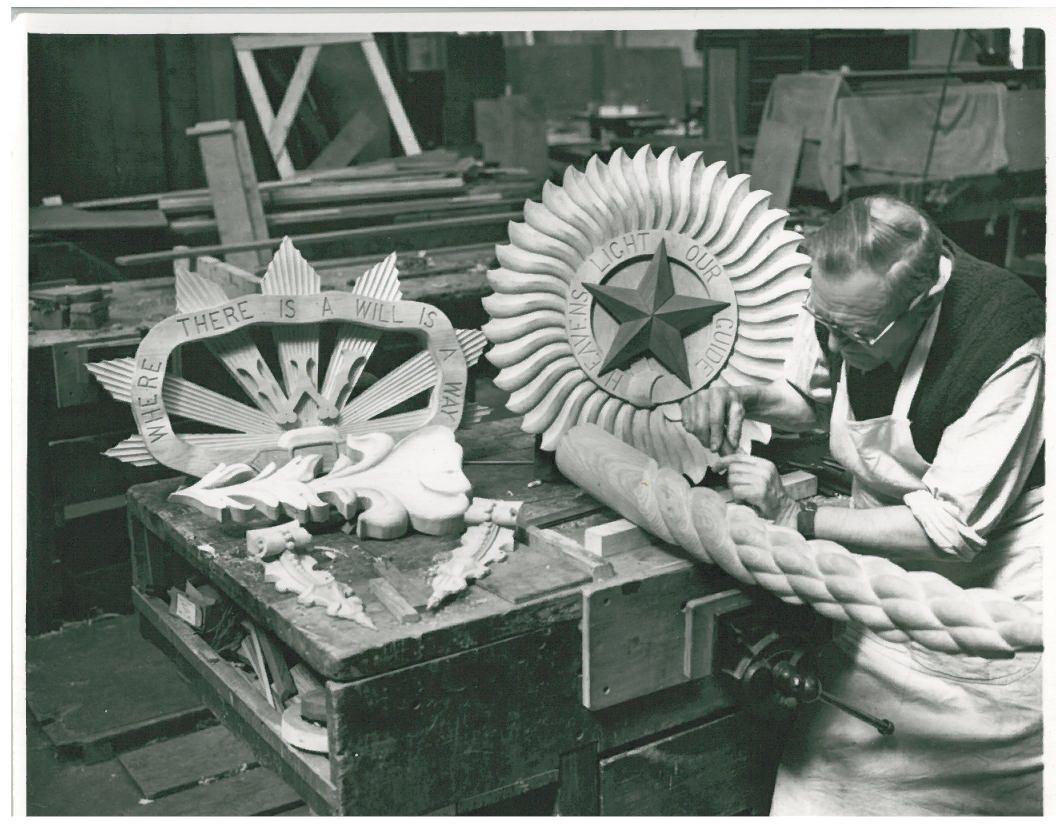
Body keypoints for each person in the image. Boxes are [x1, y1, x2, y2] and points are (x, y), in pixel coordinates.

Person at [680, 194, 1044, 816]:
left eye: (854, 332)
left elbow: (948, 531)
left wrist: (799, 517)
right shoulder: (841, 296)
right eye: (822, 319)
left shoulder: (1009, 337)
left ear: (922, 305)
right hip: (881, 588)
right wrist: (740, 394)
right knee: (820, 793)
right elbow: (812, 397)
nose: (833, 337)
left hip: (990, 599)